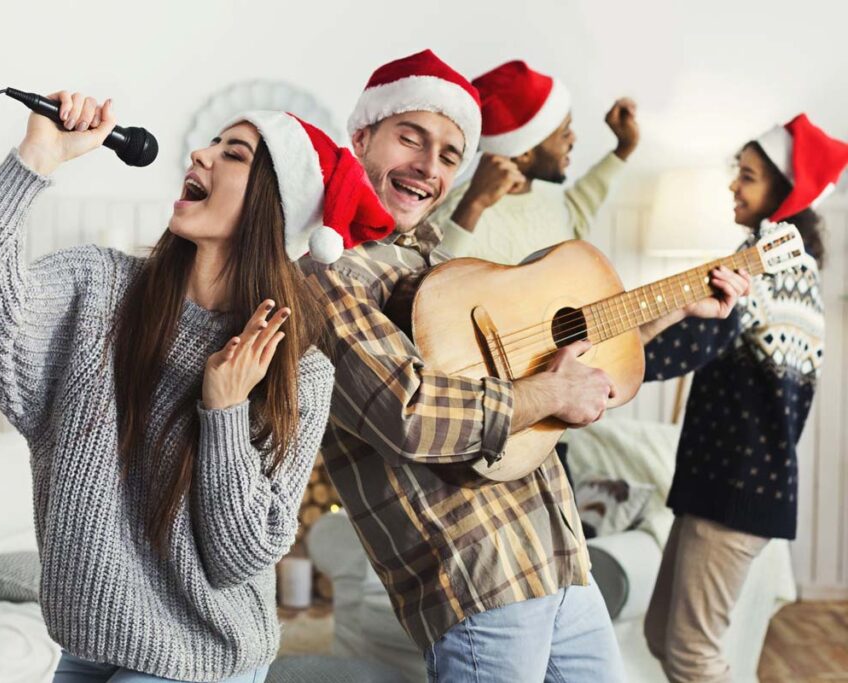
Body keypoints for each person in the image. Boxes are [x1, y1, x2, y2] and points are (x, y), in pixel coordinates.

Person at [299, 51, 748, 682]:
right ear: (362, 135)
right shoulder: (326, 277)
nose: (429, 167)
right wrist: (550, 391)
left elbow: (554, 365)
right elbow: (412, 415)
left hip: (560, 556)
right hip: (478, 579)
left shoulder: (434, 264)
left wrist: (673, 310)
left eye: (450, 155)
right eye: (411, 138)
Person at [0, 93, 394, 682]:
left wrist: (224, 410)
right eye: (211, 143)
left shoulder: (297, 369)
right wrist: (36, 159)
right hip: (88, 640)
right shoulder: (99, 290)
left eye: (234, 153)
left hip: (200, 653)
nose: (199, 153)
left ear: (275, 207)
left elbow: (239, 555)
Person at [640, 114, 847, 683]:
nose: (735, 185)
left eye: (749, 176)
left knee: (692, 656)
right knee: (663, 637)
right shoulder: (777, 256)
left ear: (782, 192)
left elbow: (691, 340)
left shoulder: (772, 261)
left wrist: (610, 357)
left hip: (736, 485)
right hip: (717, 482)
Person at [431, 59, 639, 265]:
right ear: (524, 154)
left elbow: (578, 211)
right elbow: (436, 283)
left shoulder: (550, 199)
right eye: (564, 132)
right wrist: (473, 206)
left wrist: (624, 148)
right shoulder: (457, 216)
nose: (573, 139)